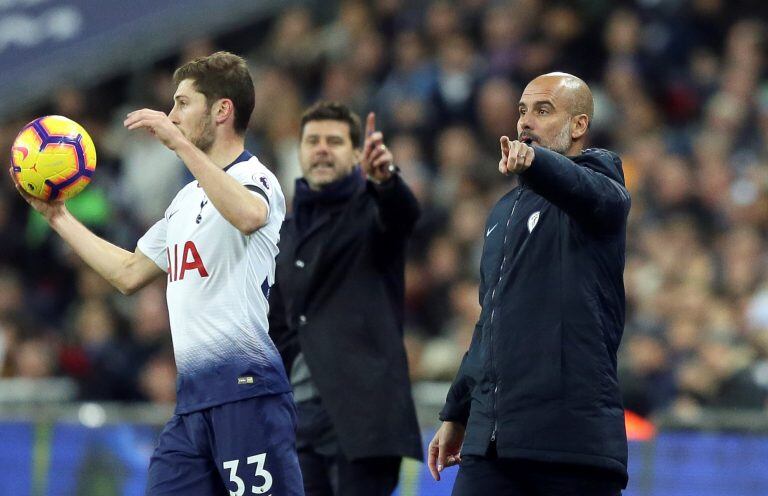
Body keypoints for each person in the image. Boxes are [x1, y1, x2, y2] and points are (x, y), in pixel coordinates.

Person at [10, 51, 303, 495]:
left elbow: (247, 215)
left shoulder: (256, 177)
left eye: (183, 103)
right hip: (191, 405)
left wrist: (180, 145)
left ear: (222, 109)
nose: (171, 115)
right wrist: (58, 217)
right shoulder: (185, 200)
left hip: (246, 394)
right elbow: (128, 272)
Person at [428, 72, 631, 496]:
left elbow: (592, 193)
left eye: (543, 110)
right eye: (522, 111)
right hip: (495, 446)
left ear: (578, 126)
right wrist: (458, 412)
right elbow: (490, 322)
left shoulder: (602, 182)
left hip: (571, 446)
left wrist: (538, 165)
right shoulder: (503, 213)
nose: (525, 122)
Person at [268, 101, 423, 496]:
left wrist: (385, 180)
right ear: (299, 150)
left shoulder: (372, 210)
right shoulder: (283, 231)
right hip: (298, 422)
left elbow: (402, 214)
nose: (321, 149)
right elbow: (280, 320)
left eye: (334, 141)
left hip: (362, 422)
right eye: (313, 140)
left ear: (357, 154)